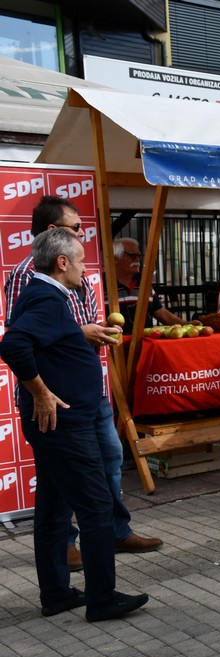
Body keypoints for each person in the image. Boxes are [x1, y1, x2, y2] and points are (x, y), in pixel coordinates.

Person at [3, 196, 162, 571]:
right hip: (58, 397)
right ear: (53, 231)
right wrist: (79, 336)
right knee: (61, 477)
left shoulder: (79, 269)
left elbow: (84, 323)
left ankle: (115, 530)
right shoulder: (28, 274)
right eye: (76, 227)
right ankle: (69, 546)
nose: (82, 233)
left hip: (90, 392)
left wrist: (100, 331)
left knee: (109, 458)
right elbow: (20, 336)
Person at [112, 237, 189, 334]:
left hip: (145, 341)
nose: (137, 259)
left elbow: (160, 311)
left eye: (139, 256)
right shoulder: (103, 285)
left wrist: (185, 324)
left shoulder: (143, 282)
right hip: (116, 342)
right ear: (115, 258)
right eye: (132, 255)